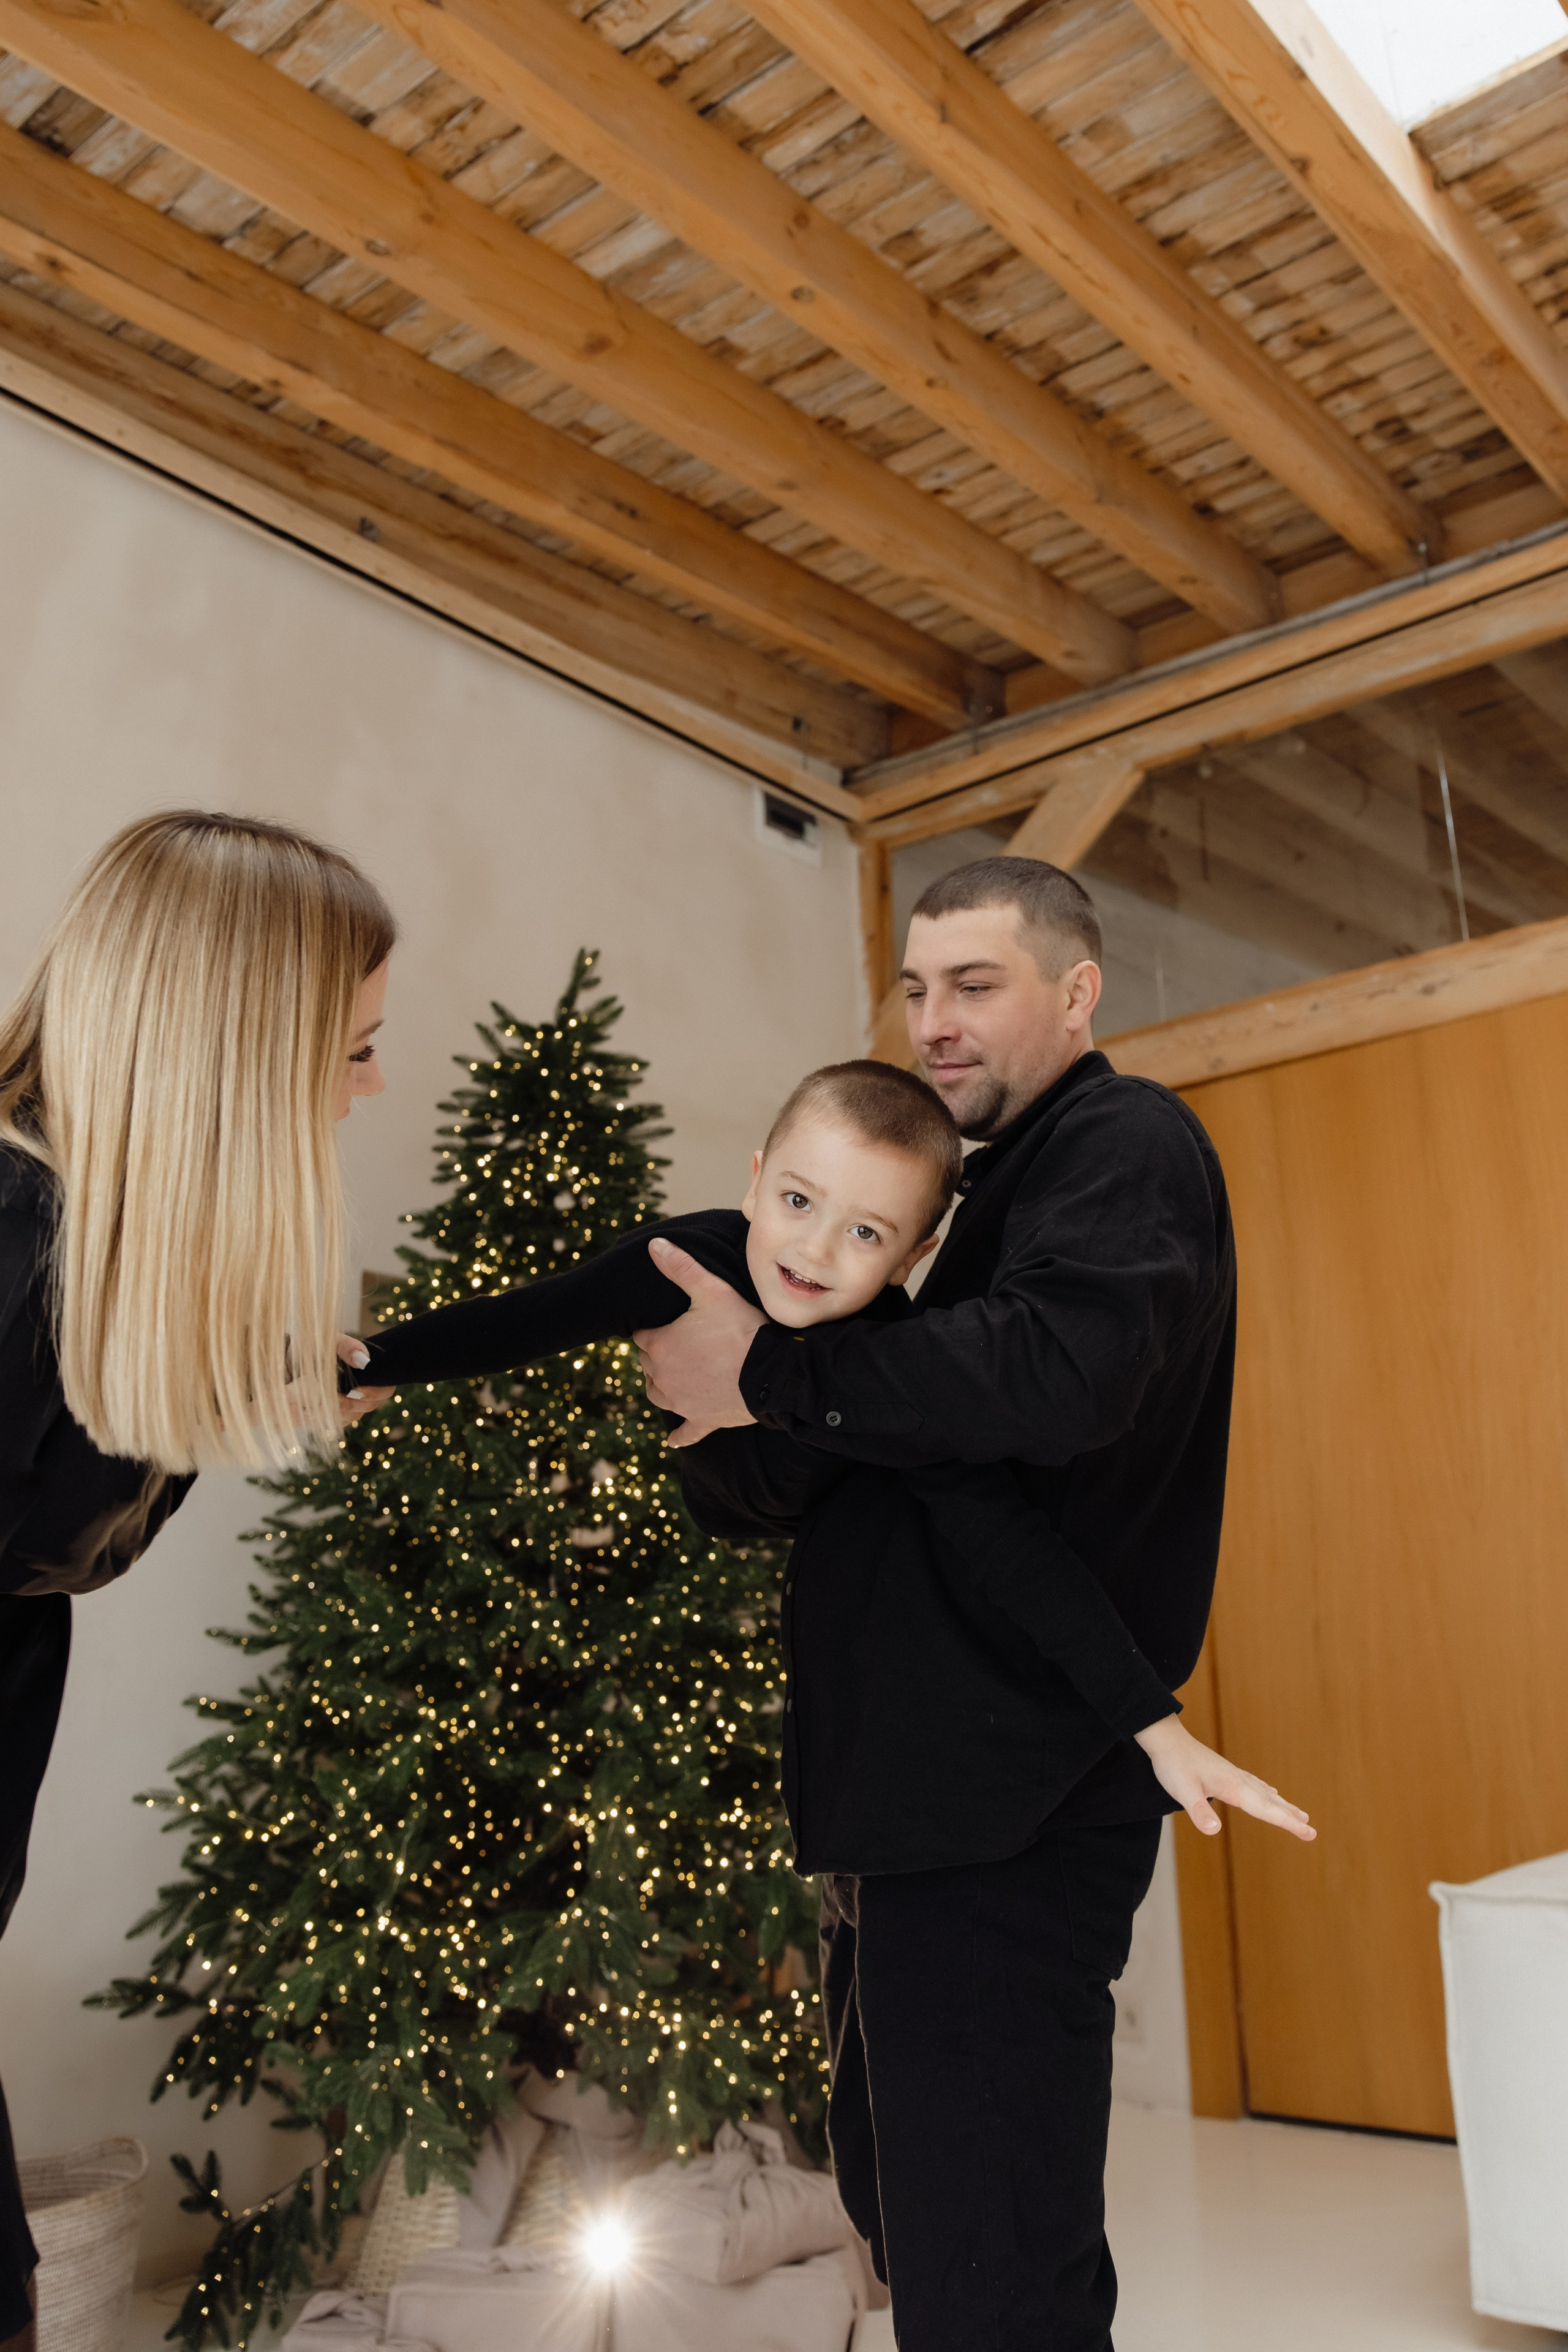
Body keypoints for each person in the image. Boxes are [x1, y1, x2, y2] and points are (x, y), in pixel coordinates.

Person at [633, 856, 1288, 2351]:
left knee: (990, 2264)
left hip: (1015, 1804)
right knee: (917, 2214)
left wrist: (769, 1374)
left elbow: (1049, 1377)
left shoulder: (1123, 1146)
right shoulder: (950, 1202)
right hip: (914, 1803)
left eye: (974, 986)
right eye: (916, 988)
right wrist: (740, 1410)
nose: (933, 1021)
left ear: (1076, 992)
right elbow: (837, 1470)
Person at [349, 1060, 1306, 1839]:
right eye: (799, 1202)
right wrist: (381, 1362)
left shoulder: (889, 1365)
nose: (813, 1254)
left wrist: (1157, 1727)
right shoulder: (699, 1258)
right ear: (758, 1177)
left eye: (864, 1233)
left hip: (831, 1536)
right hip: (727, 1486)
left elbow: (1010, 1543)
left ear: (914, 1255)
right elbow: (533, 1315)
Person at [0, 810, 394, 2352]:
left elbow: (46, 1550)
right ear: (237, 1047)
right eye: (350, 1048)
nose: (370, 1089)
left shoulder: (74, 1242)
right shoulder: (11, 1230)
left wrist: (242, 1411)